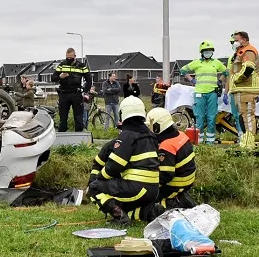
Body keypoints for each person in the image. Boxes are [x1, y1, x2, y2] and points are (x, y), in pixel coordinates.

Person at [87, 96, 163, 225]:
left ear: (122, 114)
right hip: (153, 189)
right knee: (124, 201)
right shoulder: (150, 134)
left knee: (94, 188)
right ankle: (149, 211)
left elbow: (115, 165)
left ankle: (120, 218)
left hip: (136, 187)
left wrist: (99, 178)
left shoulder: (127, 135)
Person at [146, 108, 197, 209]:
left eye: (150, 126)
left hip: (176, 183)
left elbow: (166, 175)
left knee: (149, 197)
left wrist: (148, 180)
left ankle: (172, 203)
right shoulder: (181, 135)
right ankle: (180, 196)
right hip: (188, 179)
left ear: (157, 127)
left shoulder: (167, 145)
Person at [180, 41, 226, 145]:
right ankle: (198, 141)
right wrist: (191, 80)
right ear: (202, 52)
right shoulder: (196, 62)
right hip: (200, 93)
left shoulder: (216, 63)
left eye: (210, 51)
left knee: (211, 117)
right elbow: (183, 70)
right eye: (206, 51)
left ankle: (210, 142)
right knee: (199, 117)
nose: (208, 53)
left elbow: (226, 72)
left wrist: (220, 81)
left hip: (212, 93)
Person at [231, 31, 259, 150]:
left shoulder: (248, 51)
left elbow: (248, 68)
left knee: (248, 116)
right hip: (241, 90)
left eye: (236, 40)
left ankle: (249, 142)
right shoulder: (239, 52)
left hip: (247, 89)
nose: (235, 42)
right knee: (242, 116)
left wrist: (237, 80)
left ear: (244, 40)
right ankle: (246, 140)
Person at [53, 48, 93, 132]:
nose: (69, 59)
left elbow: (89, 80)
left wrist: (85, 91)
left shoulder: (81, 66)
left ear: (75, 56)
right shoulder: (62, 65)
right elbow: (53, 78)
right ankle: (61, 139)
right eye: (67, 57)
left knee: (78, 118)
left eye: (70, 57)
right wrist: (60, 77)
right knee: (63, 118)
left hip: (76, 94)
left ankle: (79, 140)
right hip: (64, 93)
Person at [222, 32, 245, 139]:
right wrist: (226, 92)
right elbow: (229, 76)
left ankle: (248, 135)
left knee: (245, 114)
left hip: (244, 90)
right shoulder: (231, 58)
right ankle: (240, 135)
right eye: (232, 42)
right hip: (233, 90)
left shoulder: (247, 54)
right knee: (236, 115)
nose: (234, 44)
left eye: (235, 41)